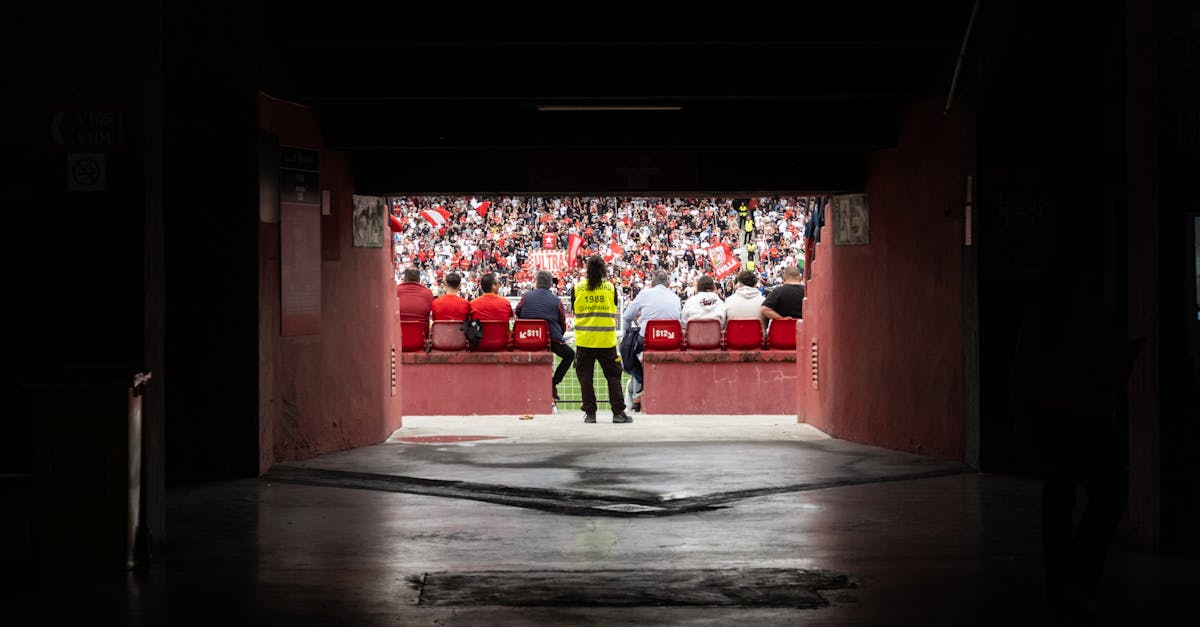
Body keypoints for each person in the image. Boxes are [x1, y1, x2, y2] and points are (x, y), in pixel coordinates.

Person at [1011, 261, 1142, 624]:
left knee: (1059, 501)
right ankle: (1078, 576)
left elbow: (1023, 375)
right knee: (1108, 493)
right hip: (1087, 419)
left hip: (1055, 421)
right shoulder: (1094, 314)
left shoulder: (1042, 316)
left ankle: (1063, 583)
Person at [570, 255, 631, 424]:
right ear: (603, 269)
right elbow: (614, 307)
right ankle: (618, 413)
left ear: (587, 270)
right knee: (613, 376)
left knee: (585, 378)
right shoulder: (610, 288)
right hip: (606, 340)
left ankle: (590, 414)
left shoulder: (577, 288)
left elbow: (575, 311)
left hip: (584, 341)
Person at [620, 270, 682, 412]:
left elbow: (626, 317)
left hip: (649, 340)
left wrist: (625, 336)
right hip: (671, 340)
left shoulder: (645, 294)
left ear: (652, 283)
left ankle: (641, 379)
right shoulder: (675, 297)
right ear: (668, 283)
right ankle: (639, 388)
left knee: (626, 350)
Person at [516, 270, 574, 407]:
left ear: (536, 282)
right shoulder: (556, 301)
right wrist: (559, 336)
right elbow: (562, 323)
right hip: (550, 340)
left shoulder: (526, 297)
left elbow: (518, 312)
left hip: (527, 338)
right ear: (550, 284)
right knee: (570, 355)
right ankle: (553, 383)